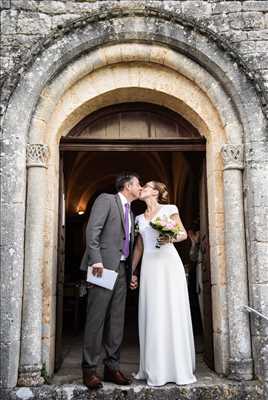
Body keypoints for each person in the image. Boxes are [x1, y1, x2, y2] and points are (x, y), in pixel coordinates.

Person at [80, 173, 141, 389]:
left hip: (122, 271)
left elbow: (129, 245)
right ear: (127, 186)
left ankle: (111, 368)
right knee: (96, 320)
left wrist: (131, 272)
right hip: (102, 268)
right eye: (138, 184)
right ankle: (89, 370)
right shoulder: (107, 200)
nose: (140, 187)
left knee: (117, 321)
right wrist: (95, 261)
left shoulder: (132, 212)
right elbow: (92, 231)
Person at [132, 181, 196, 386]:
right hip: (150, 267)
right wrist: (132, 270)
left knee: (171, 310)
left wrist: (168, 236)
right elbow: (140, 246)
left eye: (147, 186)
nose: (142, 187)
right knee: (153, 312)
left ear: (155, 192)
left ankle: (177, 367)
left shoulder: (170, 209)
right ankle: (154, 367)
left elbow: (183, 234)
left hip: (168, 264)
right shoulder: (138, 218)